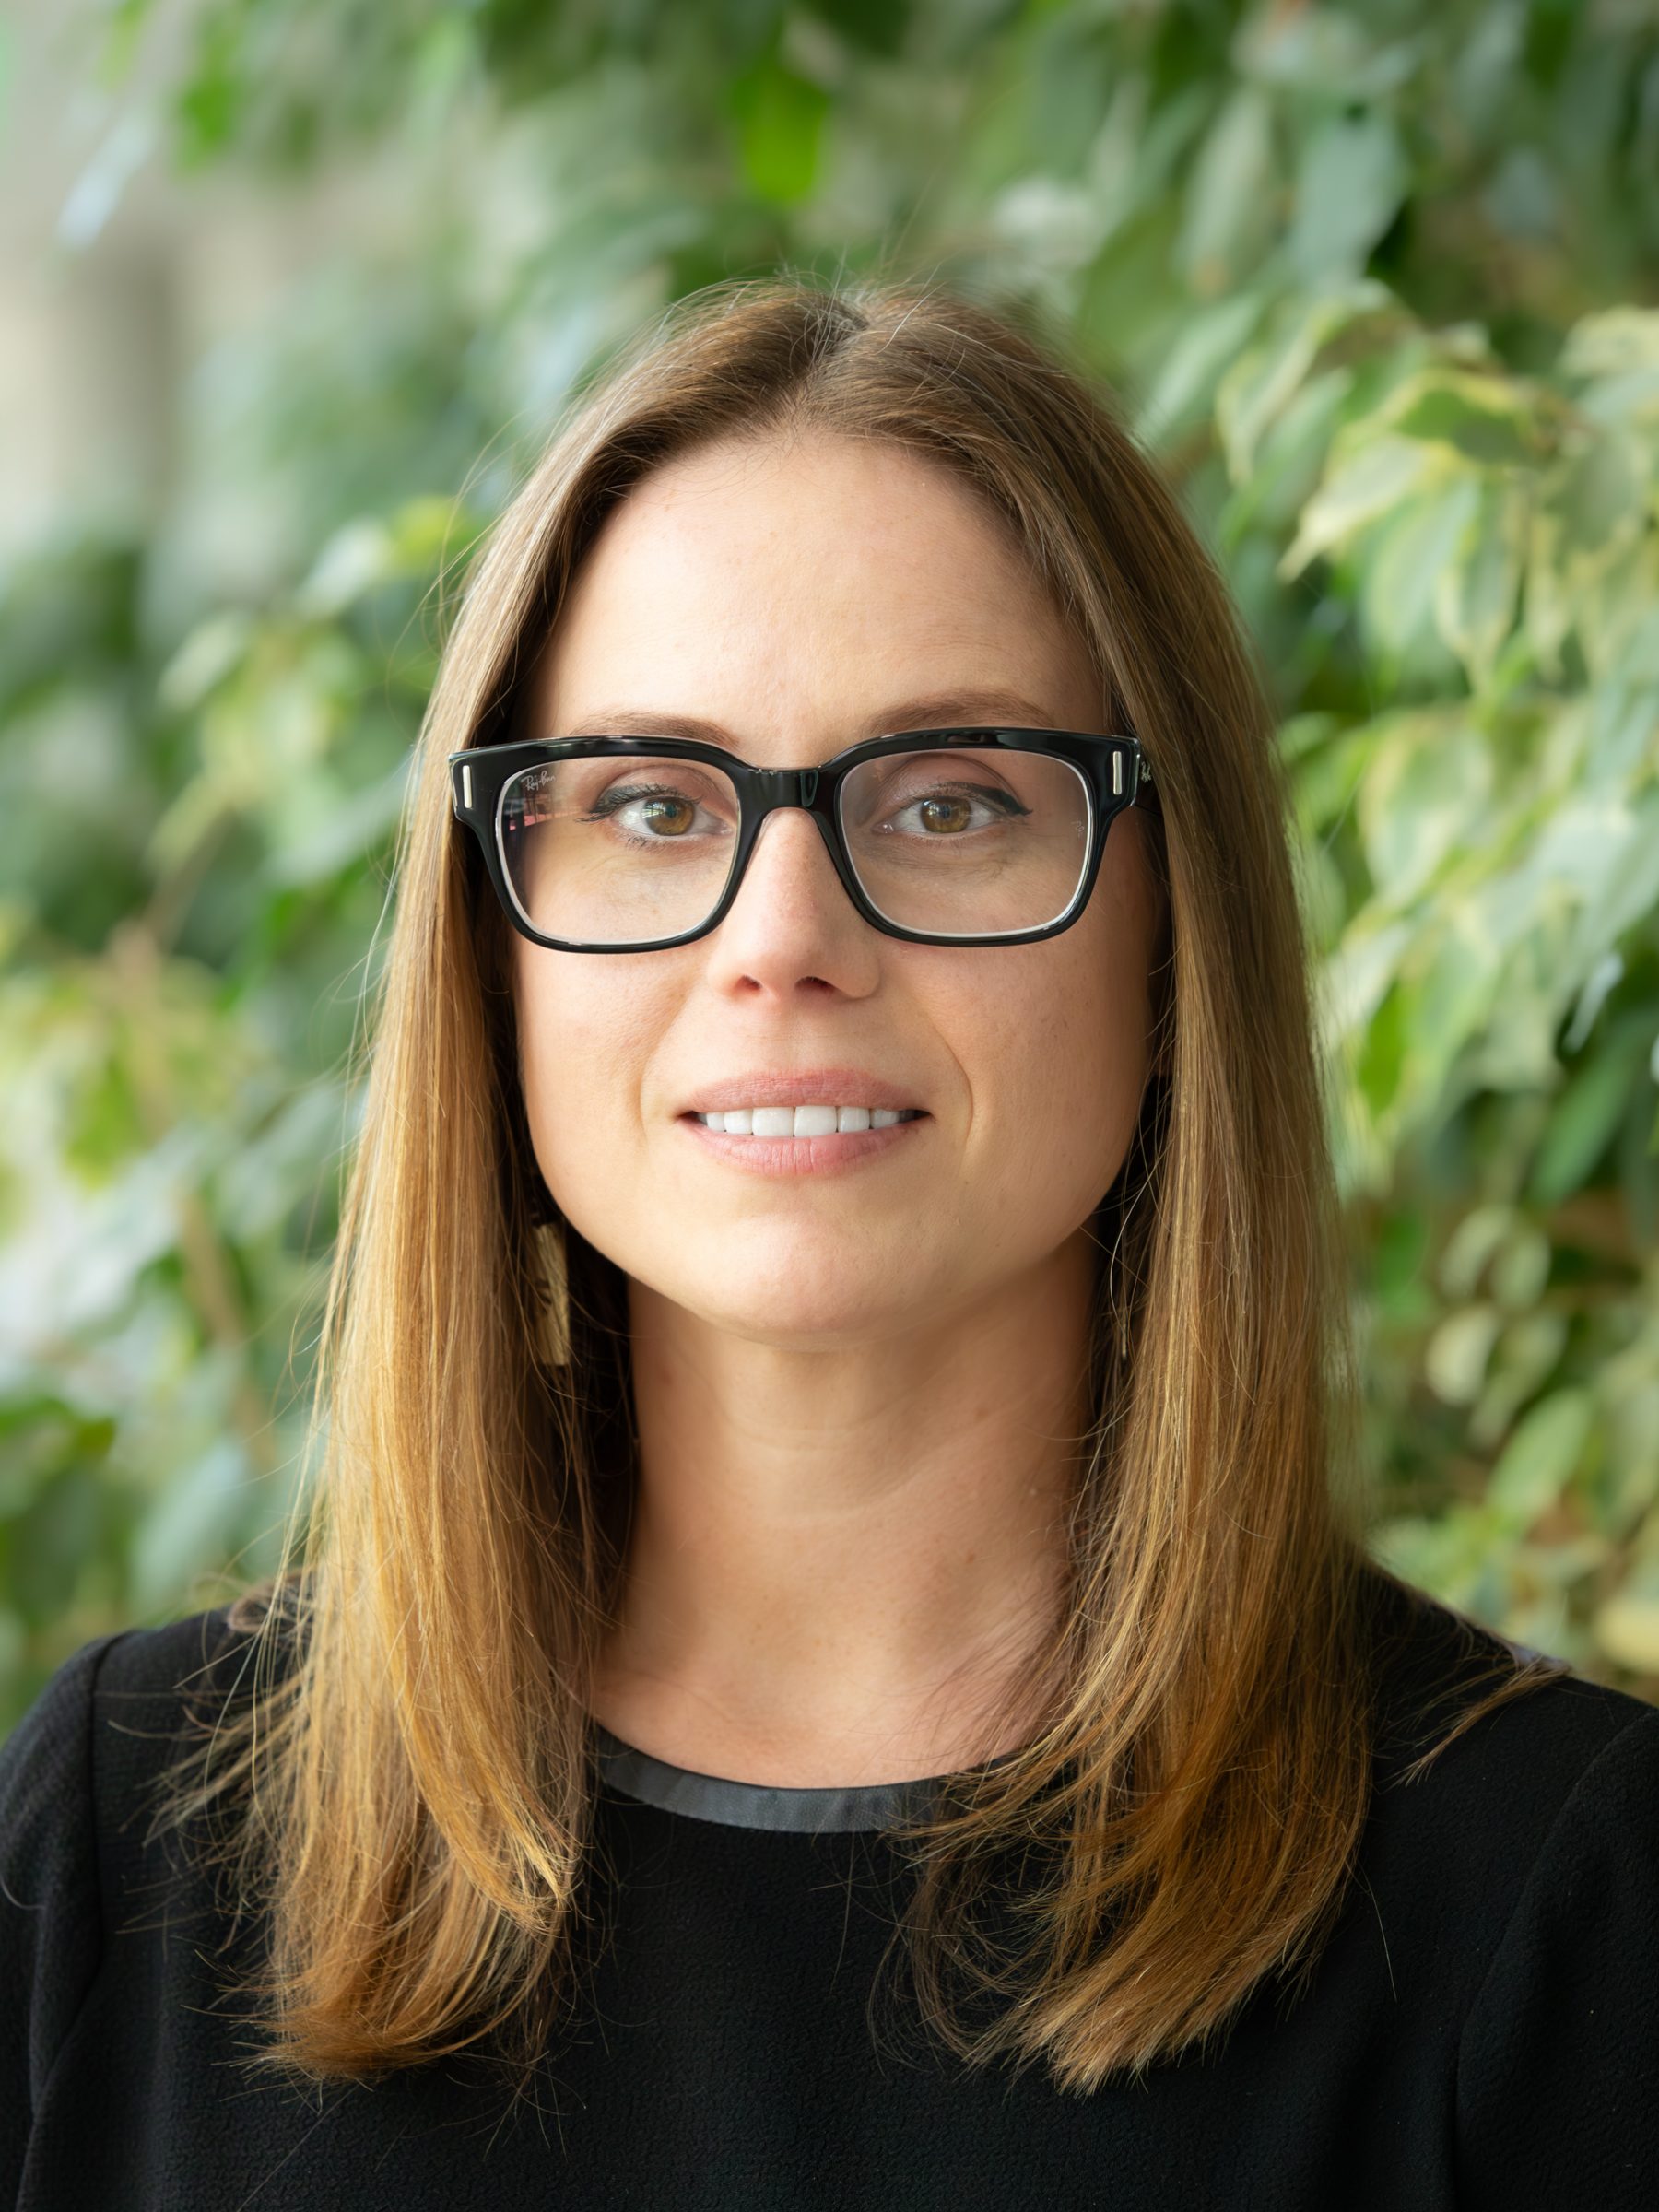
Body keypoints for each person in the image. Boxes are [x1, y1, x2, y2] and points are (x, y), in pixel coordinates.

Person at [2, 275, 1655, 2212]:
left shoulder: (1562, 1901)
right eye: (647, 801)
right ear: (495, 940)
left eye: (951, 799)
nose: (779, 936)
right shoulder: (122, 1843)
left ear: (1168, 926)